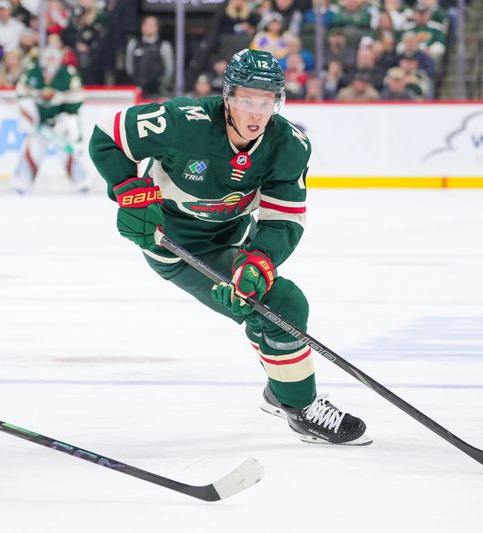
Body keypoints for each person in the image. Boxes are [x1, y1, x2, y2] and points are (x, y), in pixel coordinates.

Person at [87, 48, 370, 446]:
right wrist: (129, 190)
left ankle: (281, 387)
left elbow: (283, 218)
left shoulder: (289, 145)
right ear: (227, 97)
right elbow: (107, 135)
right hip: (175, 246)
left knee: (265, 300)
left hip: (234, 240)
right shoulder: (183, 122)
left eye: (267, 101)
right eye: (246, 100)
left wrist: (259, 261)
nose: (256, 113)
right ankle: (299, 407)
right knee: (284, 305)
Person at [10, 45, 88, 193]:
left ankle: (82, 182)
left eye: (54, 57)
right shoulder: (32, 70)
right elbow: (21, 94)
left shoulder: (68, 72)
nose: (50, 60)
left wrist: (62, 107)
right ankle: (21, 184)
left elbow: (78, 97)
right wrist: (31, 115)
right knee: (33, 150)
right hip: (40, 123)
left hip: (61, 122)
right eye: (48, 57)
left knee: (68, 152)